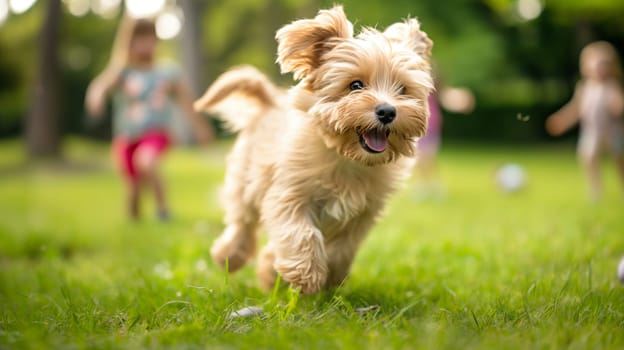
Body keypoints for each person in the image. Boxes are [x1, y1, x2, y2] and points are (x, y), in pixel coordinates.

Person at [85, 16, 214, 220]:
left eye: (149, 39)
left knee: (146, 161)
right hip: (127, 137)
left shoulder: (167, 72)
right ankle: (134, 220)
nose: (145, 45)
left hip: (156, 132)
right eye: (139, 39)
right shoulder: (123, 71)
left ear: (156, 41)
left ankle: (163, 210)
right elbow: (100, 85)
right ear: (129, 43)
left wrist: (201, 128)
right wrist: (96, 97)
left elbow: (187, 102)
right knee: (133, 188)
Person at [546, 41, 624, 201]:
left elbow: (618, 104)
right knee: (588, 157)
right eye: (595, 64)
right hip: (592, 132)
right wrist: (562, 120)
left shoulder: (612, 86)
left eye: (603, 64)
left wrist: (618, 105)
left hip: (613, 131)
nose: (599, 68)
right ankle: (595, 190)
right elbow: (576, 109)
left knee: (619, 160)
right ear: (585, 66)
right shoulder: (585, 87)